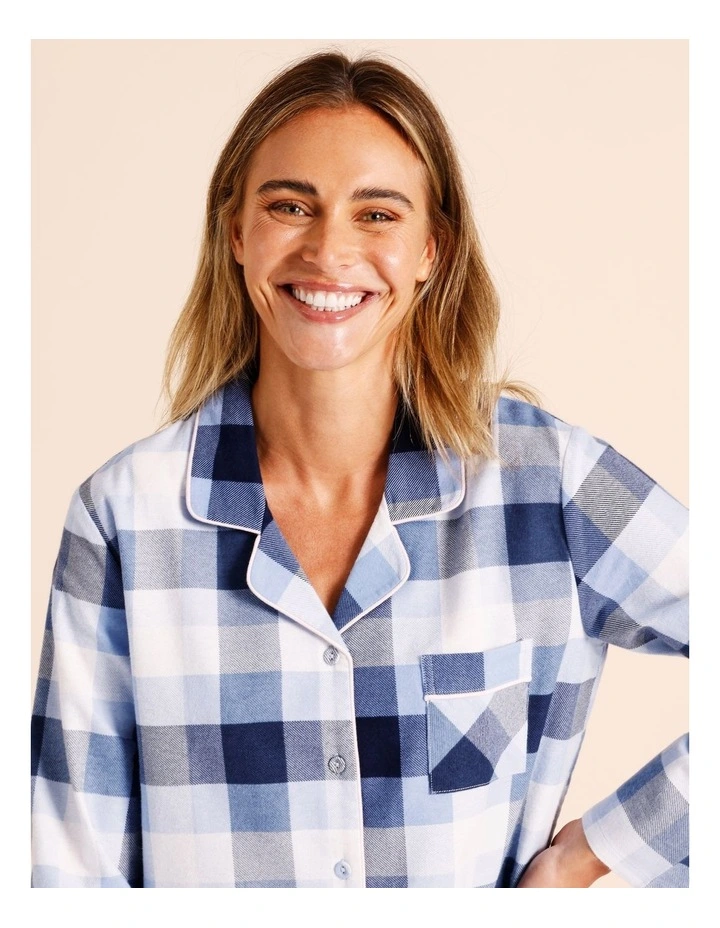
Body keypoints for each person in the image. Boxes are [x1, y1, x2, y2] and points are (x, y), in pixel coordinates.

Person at [30, 51, 688, 889]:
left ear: (431, 250)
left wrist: (587, 858)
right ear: (237, 234)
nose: (329, 249)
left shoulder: (545, 483)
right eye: (289, 206)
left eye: (376, 214)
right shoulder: (124, 517)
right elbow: (70, 868)